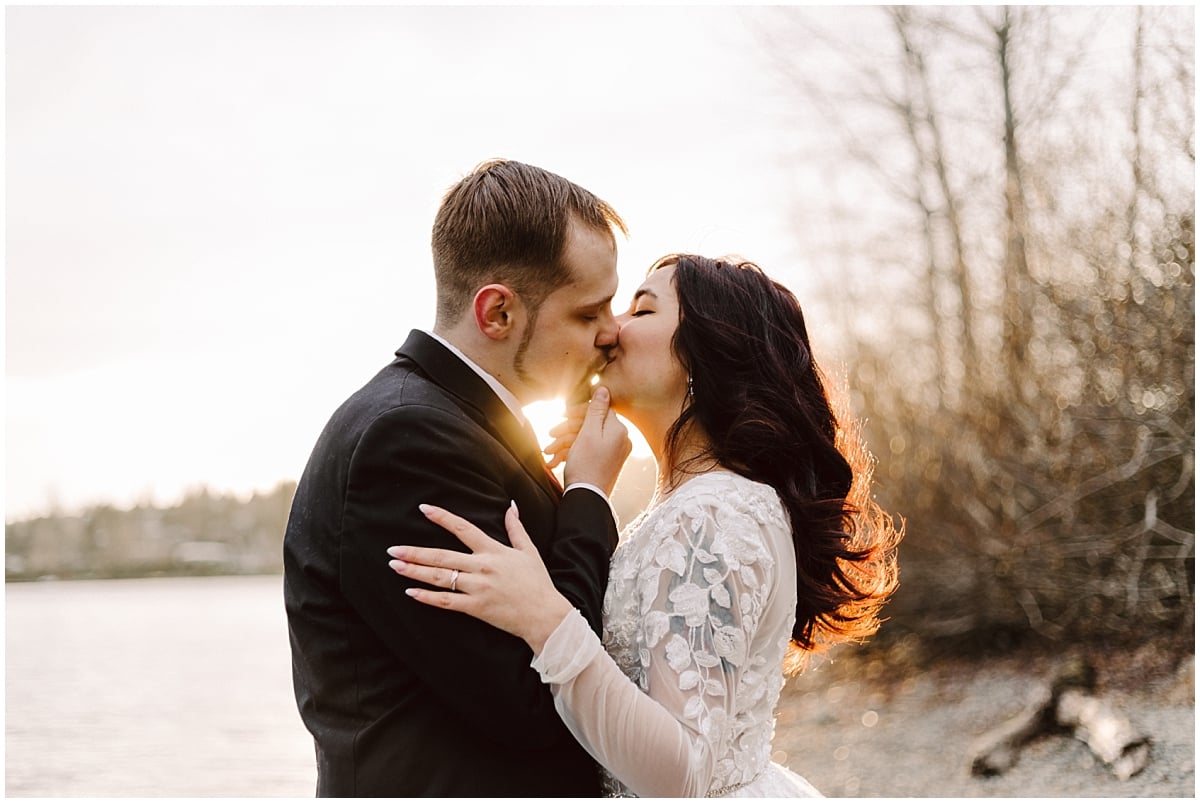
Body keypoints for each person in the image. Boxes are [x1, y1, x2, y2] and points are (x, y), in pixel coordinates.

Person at [388, 254, 903, 797]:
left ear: (704, 354)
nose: (611, 331)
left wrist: (545, 617)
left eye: (642, 309)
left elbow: (682, 773)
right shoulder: (701, 502)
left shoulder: (711, 515)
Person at [282, 159, 635, 796]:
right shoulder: (407, 443)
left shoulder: (454, 424)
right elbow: (534, 699)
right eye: (589, 313)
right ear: (496, 312)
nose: (612, 333)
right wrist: (587, 494)